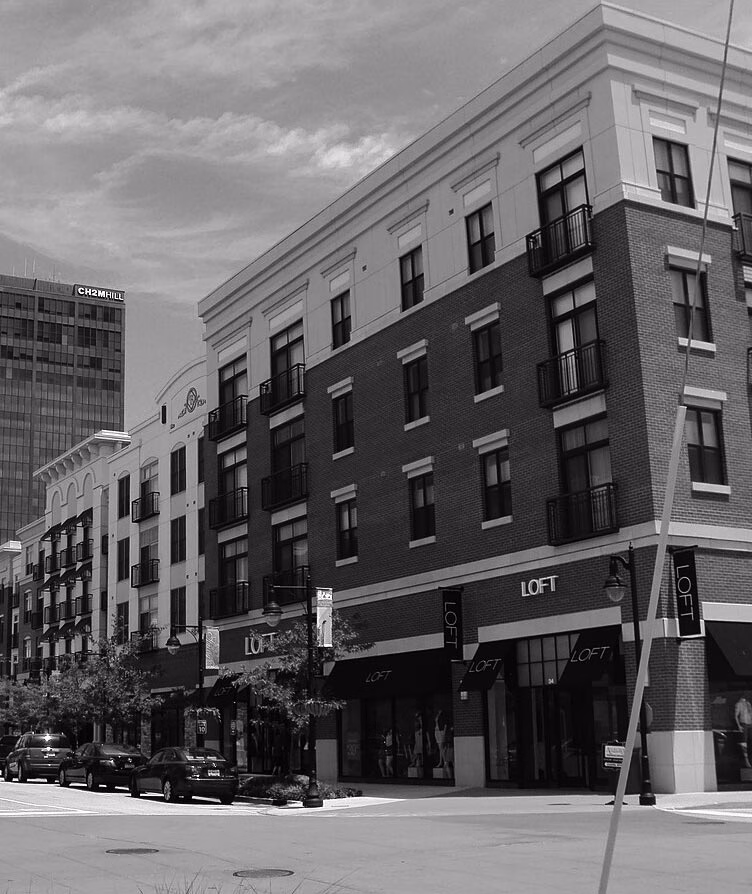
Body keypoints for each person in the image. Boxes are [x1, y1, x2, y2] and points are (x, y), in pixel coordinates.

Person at [735, 694, 752, 768]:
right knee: (744, 742)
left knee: (749, 742)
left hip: (750, 724)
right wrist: (739, 726)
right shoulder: (738, 704)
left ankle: (748, 759)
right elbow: (736, 716)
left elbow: (750, 713)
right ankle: (746, 760)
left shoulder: (748, 704)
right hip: (743, 724)